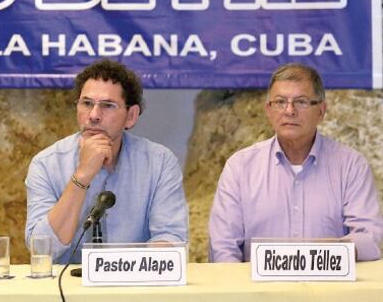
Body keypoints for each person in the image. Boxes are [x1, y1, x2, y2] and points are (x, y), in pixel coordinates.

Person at [209, 63, 383, 262]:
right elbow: (223, 247)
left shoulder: (350, 165)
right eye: (280, 102)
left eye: (301, 102)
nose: (289, 111)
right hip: (257, 291)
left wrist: (333, 251)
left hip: (330, 289)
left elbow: (369, 238)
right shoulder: (240, 167)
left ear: (321, 110)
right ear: (269, 110)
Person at [25, 60, 188, 264]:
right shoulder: (46, 164)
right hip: (66, 289)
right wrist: (82, 176)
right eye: (86, 103)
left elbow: (171, 239)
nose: (93, 115)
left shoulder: (160, 162)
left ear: (131, 115)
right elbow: (41, 249)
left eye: (107, 106)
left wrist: (120, 272)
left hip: (135, 287)